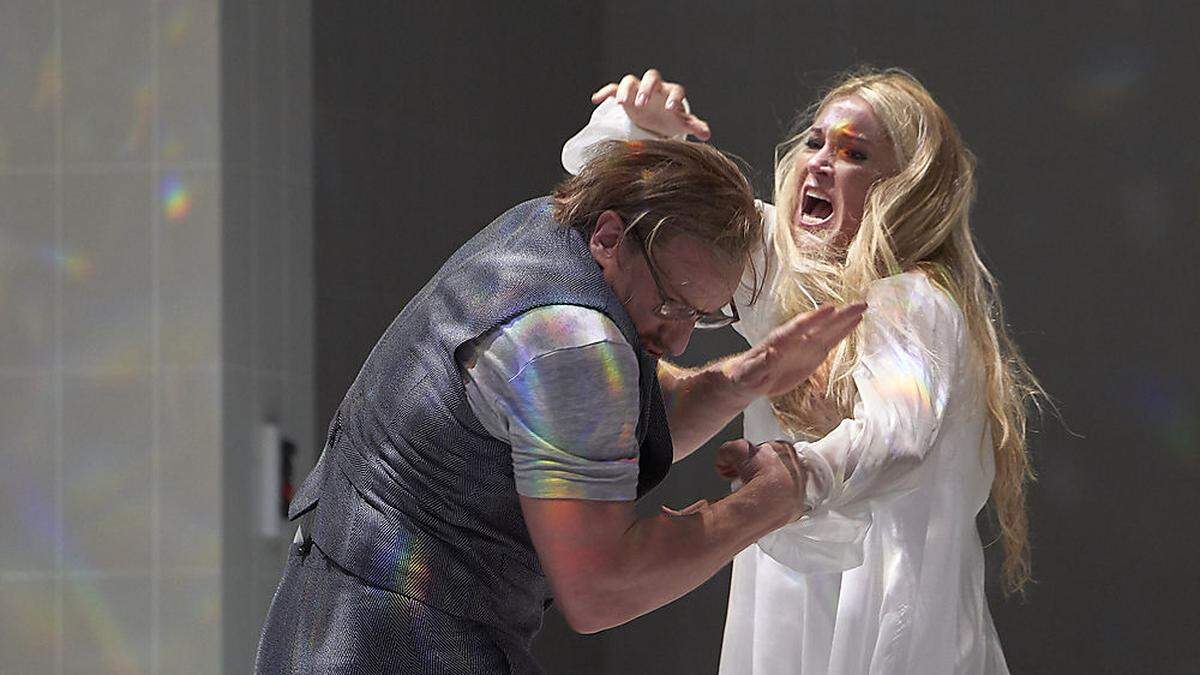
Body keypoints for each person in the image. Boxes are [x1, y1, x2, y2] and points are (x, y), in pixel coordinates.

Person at [254, 137, 867, 674]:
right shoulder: (569, 345)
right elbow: (602, 589)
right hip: (399, 644)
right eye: (673, 304)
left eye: (705, 317)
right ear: (609, 237)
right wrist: (773, 499)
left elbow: (608, 432)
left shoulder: (544, 225)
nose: (678, 339)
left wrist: (749, 376)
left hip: (330, 619)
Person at [564, 68, 1044, 674]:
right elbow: (623, 210)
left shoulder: (917, 303)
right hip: (789, 598)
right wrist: (645, 133)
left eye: (853, 153)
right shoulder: (784, 275)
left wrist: (798, 476)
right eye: (815, 142)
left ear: (906, 189)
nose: (818, 163)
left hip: (882, 608)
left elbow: (896, 434)